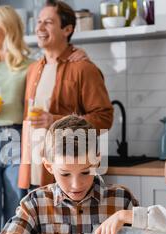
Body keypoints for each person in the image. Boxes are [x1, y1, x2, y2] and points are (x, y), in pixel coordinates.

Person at [0, 6, 90, 234]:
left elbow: (55, 64)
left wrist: (75, 53)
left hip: (17, 141)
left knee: (17, 211)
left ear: (8, 28)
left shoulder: (31, 67)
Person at [0, 116, 148, 234]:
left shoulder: (121, 201)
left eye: (86, 172)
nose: (76, 184)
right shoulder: (36, 203)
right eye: (65, 174)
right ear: (49, 166)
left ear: (97, 161)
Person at [18, 0, 114, 191]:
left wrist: (53, 120)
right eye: (38, 21)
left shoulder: (84, 69)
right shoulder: (33, 69)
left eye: (48, 22)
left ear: (67, 29)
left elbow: (104, 118)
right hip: (32, 171)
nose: (40, 27)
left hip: (68, 176)